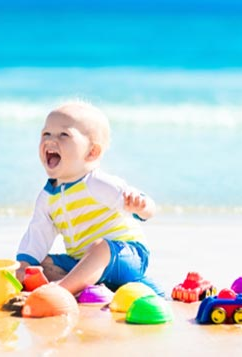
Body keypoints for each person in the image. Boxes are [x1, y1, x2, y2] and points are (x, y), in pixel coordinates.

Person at [16, 101, 163, 296]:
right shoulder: (47, 198)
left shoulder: (96, 183)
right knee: (40, 265)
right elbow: (37, 236)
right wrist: (23, 266)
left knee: (99, 248)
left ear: (92, 152)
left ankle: (61, 290)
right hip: (81, 262)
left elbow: (147, 208)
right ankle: (77, 285)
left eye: (64, 135)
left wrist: (141, 206)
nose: (51, 140)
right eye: (46, 133)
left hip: (125, 256)